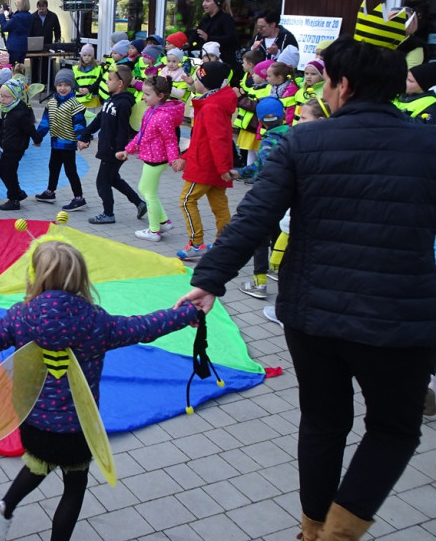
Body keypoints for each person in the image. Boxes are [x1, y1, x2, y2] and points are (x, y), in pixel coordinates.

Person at [178, 36, 436, 541]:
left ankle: (313, 529)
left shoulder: (304, 142)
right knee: (393, 428)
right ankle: (338, 533)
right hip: (401, 321)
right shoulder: (428, 143)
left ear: (342, 86)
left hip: (311, 315)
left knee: (323, 420)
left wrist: (209, 280)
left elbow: (255, 217)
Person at [0, 239, 199, 541]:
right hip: (78, 428)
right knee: (75, 484)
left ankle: (3, 508)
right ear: (79, 279)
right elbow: (143, 327)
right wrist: (186, 314)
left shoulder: (20, 316)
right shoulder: (95, 321)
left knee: (39, 462)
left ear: (35, 276)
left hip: (34, 422)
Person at [225, 96, 290, 298]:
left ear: (260, 122)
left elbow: (263, 167)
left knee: (260, 239)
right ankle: (278, 268)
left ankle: (259, 283)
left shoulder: (271, 140)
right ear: (285, 116)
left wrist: (240, 172)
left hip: (268, 195)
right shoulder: (292, 134)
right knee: (280, 233)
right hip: (287, 194)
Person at [173, 61, 237, 261]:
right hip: (213, 164)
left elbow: (217, 140)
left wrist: (222, 168)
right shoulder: (215, 102)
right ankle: (225, 243)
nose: (194, 81)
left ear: (205, 83)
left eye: (197, 79)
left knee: (186, 200)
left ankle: (196, 243)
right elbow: (205, 137)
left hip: (206, 165)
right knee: (219, 205)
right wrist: (185, 156)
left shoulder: (211, 106)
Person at [117, 75, 184, 241]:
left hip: (157, 160)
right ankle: (163, 222)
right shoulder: (152, 111)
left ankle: (154, 231)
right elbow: (142, 134)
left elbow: (170, 140)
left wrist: (174, 159)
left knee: (149, 194)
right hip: (152, 158)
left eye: (147, 94)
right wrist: (128, 149)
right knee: (145, 190)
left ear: (160, 96)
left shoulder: (163, 116)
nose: (143, 97)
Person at [77, 66, 143, 224]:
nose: (107, 82)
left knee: (102, 182)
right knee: (113, 179)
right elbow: (99, 119)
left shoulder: (124, 103)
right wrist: (85, 135)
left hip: (114, 150)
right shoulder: (111, 99)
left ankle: (108, 213)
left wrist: (120, 150)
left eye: (110, 79)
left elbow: (123, 129)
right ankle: (139, 203)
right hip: (107, 147)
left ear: (120, 83)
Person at [34, 69, 87, 210]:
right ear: (55, 86)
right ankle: (50, 192)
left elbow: (80, 124)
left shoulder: (75, 104)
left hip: (68, 144)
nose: (63, 88)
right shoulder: (51, 103)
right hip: (55, 143)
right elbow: (45, 122)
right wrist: (38, 137)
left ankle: (79, 197)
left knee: (70, 170)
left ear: (72, 86)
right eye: (60, 85)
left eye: (66, 85)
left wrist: (82, 139)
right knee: (53, 167)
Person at [0, 79, 36, 211]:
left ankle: (14, 199)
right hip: (8, 146)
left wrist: (37, 139)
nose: (2, 99)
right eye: (1, 96)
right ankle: (17, 193)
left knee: (7, 171)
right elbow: (2, 126)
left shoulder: (20, 112)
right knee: (4, 171)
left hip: (16, 147)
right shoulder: (6, 109)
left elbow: (29, 128)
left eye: (6, 96)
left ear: (15, 96)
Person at [189, 0, 238, 74]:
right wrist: (187, 43)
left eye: (207, 1)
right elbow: (197, 34)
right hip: (205, 60)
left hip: (223, 62)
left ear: (217, 2)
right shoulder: (205, 19)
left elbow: (231, 38)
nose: (204, 4)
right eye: (203, 1)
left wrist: (209, 38)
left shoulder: (226, 19)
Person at [30, 0, 63, 84]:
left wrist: (57, 40)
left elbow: (57, 29)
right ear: (37, 7)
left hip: (48, 43)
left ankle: (46, 83)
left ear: (46, 7)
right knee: (34, 63)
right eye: (39, 7)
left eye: (43, 7)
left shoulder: (53, 16)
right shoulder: (33, 17)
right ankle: (34, 83)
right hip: (35, 44)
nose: (41, 10)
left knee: (46, 63)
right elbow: (29, 30)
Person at [0, 0, 33, 65]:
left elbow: (4, 28)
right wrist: (11, 14)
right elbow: (18, 25)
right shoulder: (30, 16)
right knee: (21, 66)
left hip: (14, 46)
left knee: (13, 67)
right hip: (24, 46)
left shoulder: (16, 18)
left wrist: (2, 15)